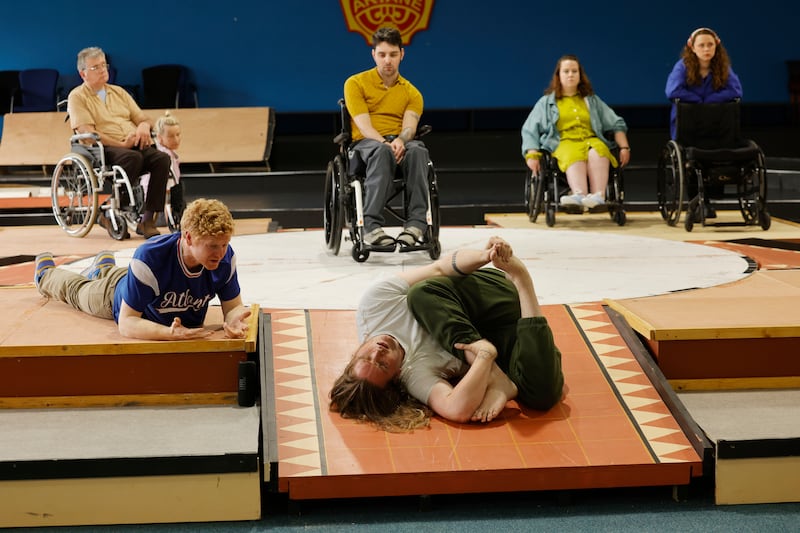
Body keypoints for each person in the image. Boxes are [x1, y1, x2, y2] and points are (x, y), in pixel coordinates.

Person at [329, 236, 564, 432]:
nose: (377, 352)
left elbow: (440, 268)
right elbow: (455, 409)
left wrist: (485, 256)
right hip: (500, 333)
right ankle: (523, 281)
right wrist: (483, 356)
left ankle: (497, 379)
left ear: (354, 353)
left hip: (488, 296)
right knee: (541, 395)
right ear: (396, 375)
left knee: (420, 295)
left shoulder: (374, 306)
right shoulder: (413, 373)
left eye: (365, 357)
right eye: (381, 365)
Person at [33, 198, 251, 341]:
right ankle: (45, 274)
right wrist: (168, 333)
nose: (220, 253)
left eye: (224, 244)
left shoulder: (224, 258)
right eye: (213, 246)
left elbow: (233, 306)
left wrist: (233, 319)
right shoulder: (151, 257)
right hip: (112, 297)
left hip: (138, 281)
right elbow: (127, 323)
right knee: (77, 292)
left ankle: (104, 267)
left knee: (124, 277)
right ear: (188, 237)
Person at [67, 46, 171, 239]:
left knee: (162, 159)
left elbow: (143, 118)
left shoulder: (119, 92)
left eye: (104, 65)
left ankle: (147, 220)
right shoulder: (77, 97)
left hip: (132, 143)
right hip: (103, 148)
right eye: (95, 67)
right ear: (83, 74)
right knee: (132, 158)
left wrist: (143, 127)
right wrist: (121, 144)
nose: (103, 69)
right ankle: (111, 208)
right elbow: (88, 133)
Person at [343, 26, 429, 251]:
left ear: (402, 54)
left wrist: (400, 140)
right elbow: (364, 126)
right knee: (381, 151)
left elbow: (410, 128)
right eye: (382, 55)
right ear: (374, 55)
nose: (387, 60)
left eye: (392, 54)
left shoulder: (412, 93)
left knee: (419, 150)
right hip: (365, 144)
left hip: (398, 142)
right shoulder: (355, 83)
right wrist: (385, 144)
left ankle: (416, 226)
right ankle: (371, 226)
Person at [521, 55, 630, 210]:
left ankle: (598, 195)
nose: (570, 75)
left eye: (574, 71)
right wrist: (531, 154)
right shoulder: (547, 102)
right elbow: (530, 129)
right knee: (573, 153)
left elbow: (616, 123)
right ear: (558, 76)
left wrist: (624, 147)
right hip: (563, 141)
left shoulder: (591, 100)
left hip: (591, 139)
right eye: (566, 71)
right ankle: (579, 194)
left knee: (599, 152)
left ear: (580, 75)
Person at [665, 27, 743, 219]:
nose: (706, 49)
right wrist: (699, 100)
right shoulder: (682, 67)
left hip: (716, 125)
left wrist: (708, 101)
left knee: (718, 155)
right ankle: (697, 202)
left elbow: (736, 91)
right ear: (692, 47)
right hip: (689, 125)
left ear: (716, 46)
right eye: (702, 45)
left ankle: (708, 200)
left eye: (710, 45)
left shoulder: (723, 68)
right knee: (692, 158)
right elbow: (672, 91)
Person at [141, 111, 185, 228]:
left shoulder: (171, 154)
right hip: (154, 197)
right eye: (171, 136)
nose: (176, 139)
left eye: (178, 134)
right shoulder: (160, 156)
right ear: (159, 138)